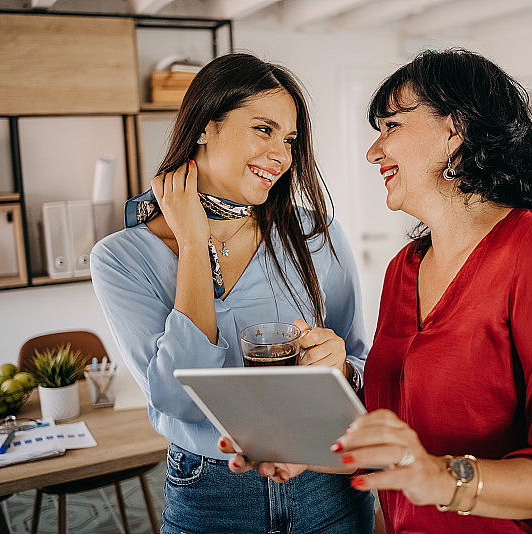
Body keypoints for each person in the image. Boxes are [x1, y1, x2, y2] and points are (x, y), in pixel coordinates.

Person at [223, 48, 532, 533]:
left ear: (455, 130)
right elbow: (394, 452)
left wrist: (440, 476)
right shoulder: (404, 270)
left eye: (391, 126)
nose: (374, 151)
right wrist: (303, 449)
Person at [90, 53, 374, 534]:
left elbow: (365, 367)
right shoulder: (121, 258)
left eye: (289, 140)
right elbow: (179, 400)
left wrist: (340, 364)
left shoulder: (314, 233)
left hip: (325, 481)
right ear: (205, 125)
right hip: (212, 492)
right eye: (264, 130)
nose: (283, 156)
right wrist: (194, 241)